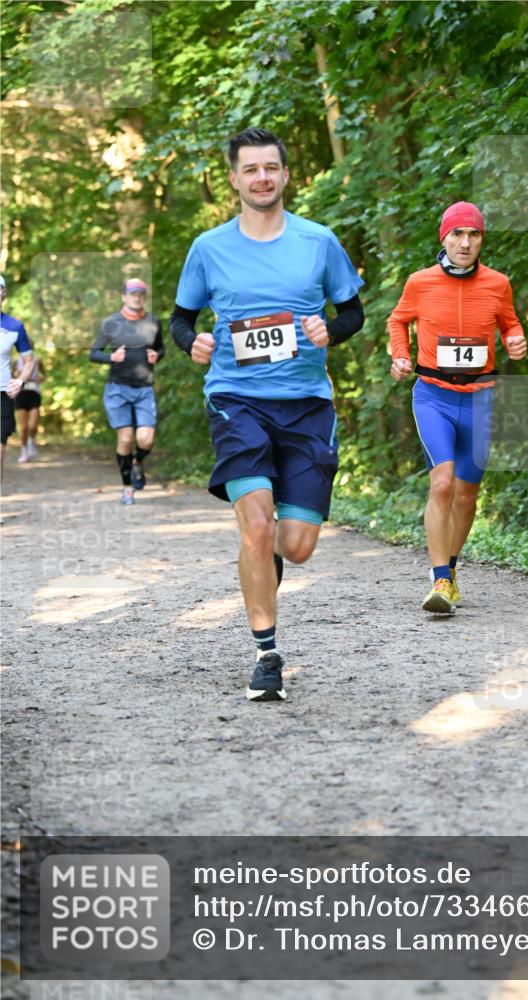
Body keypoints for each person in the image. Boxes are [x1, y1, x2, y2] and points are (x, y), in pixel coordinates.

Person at [170, 127, 364, 702]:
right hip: (236, 399)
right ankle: (267, 653)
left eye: (271, 168)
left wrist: (331, 329)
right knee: (256, 527)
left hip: (307, 405)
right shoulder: (209, 247)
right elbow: (180, 319)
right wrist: (192, 343)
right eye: (250, 169)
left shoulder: (318, 241)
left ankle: (267, 560)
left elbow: (351, 310)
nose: (262, 178)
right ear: (234, 179)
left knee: (296, 544)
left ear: (285, 175)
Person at [388, 201, 527, 614]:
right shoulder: (420, 282)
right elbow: (398, 320)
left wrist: (515, 340)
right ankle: (439, 579)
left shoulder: (498, 284)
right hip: (434, 395)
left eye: (474, 235)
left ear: (482, 239)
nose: (465, 243)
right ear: (443, 237)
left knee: (467, 494)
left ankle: (450, 569)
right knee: (443, 482)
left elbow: (510, 322)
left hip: (481, 397)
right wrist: (400, 355)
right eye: (457, 234)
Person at [90, 278, 164, 504]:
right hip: (117, 389)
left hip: (144, 389)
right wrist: (111, 357)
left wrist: (157, 355)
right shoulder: (111, 323)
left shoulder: (153, 322)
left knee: (146, 440)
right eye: (132, 293)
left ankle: (137, 462)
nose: (137, 297)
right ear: (124, 296)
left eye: (140, 293)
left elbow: (161, 348)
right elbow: (94, 353)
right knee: (125, 439)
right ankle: (127, 488)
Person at [1, 275, 34, 478]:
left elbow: (29, 361)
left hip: (2, 395)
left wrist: (21, 380)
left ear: (3, 293)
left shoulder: (15, 327)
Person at [14, 351, 45, 463]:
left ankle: (31, 442)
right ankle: (24, 451)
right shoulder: (16, 362)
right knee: (23, 428)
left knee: (32, 426)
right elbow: (12, 377)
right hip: (21, 394)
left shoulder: (37, 361)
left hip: (34, 394)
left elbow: (43, 376)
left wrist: (38, 379)